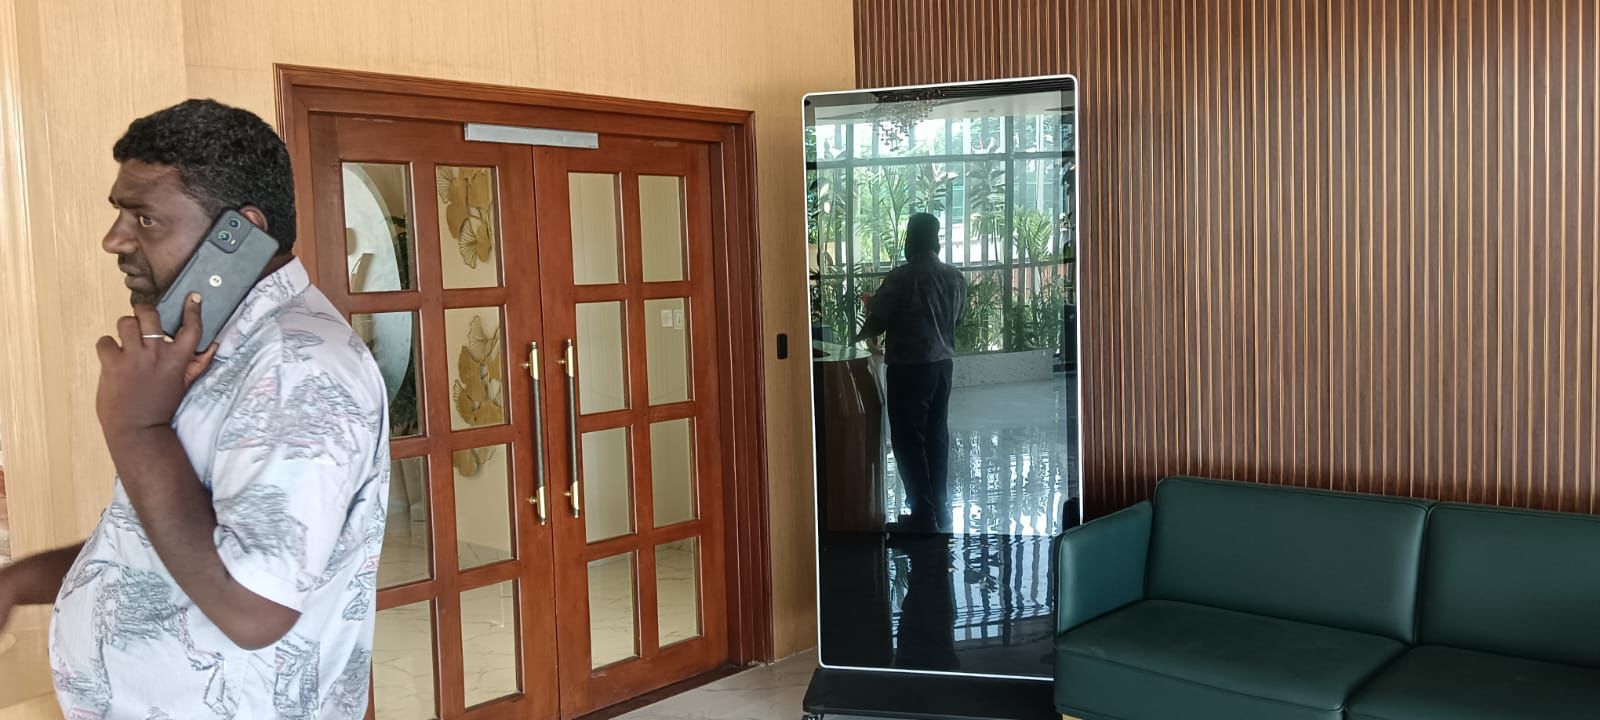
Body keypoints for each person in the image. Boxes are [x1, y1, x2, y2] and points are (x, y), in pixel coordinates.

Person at [0, 99, 390, 719]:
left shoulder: (298, 367)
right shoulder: (215, 349)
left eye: (145, 218)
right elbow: (164, 540)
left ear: (239, 232)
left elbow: (253, 610)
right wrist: (18, 582)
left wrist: (136, 428)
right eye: (119, 214)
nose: (114, 239)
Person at [855, 213, 967, 533]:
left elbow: (878, 319)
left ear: (910, 241)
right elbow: (956, 320)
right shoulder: (956, 278)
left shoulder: (901, 278)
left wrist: (864, 320)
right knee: (936, 436)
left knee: (907, 440)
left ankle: (921, 515)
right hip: (942, 368)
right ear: (937, 242)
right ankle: (939, 510)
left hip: (909, 369)